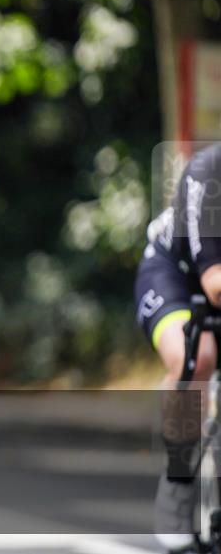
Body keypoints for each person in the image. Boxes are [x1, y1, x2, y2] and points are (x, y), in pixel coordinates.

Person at [135, 143, 221, 553]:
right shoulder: (209, 172)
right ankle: (178, 482)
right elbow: (215, 284)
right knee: (197, 356)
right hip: (176, 279)